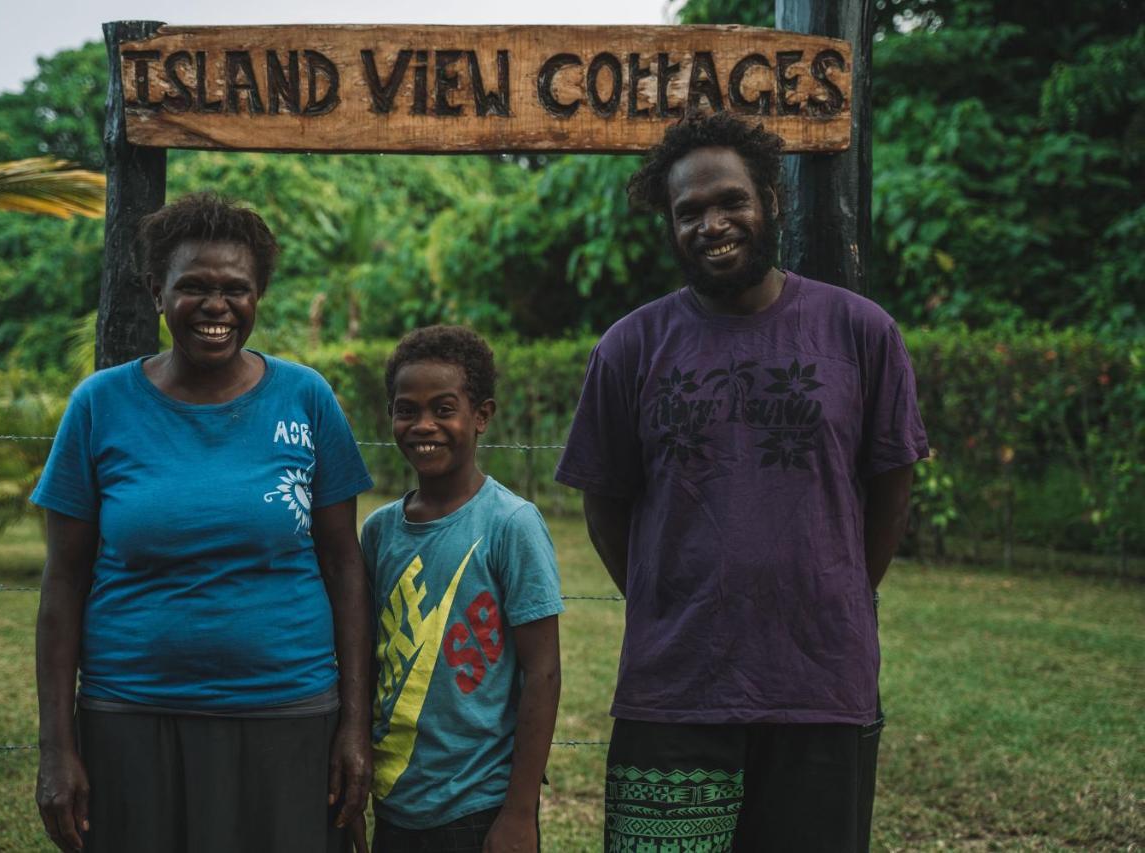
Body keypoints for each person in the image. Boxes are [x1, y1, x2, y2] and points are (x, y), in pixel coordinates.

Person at [555, 112, 929, 852]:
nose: (711, 223)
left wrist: (832, 588)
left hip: (820, 687)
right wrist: (678, 598)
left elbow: (890, 491)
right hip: (673, 690)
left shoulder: (861, 332)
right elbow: (605, 506)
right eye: (687, 211)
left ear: (771, 202)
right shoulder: (630, 347)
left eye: (731, 201)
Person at [31, 192, 374, 853]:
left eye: (236, 289)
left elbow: (344, 568)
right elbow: (63, 584)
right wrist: (56, 748)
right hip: (132, 719)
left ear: (258, 297)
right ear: (155, 290)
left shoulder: (307, 398)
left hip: (290, 715)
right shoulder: (100, 406)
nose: (217, 306)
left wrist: (354, 728)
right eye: (193, 286)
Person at [362, 325, 564, 853]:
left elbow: (542, 671)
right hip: (395, 803)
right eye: (407, 409)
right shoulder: (380, 531)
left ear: (481, 415)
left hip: (479, 807)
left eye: (443, 408)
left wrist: (521, 813)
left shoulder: (510, 525)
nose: (424, 425)